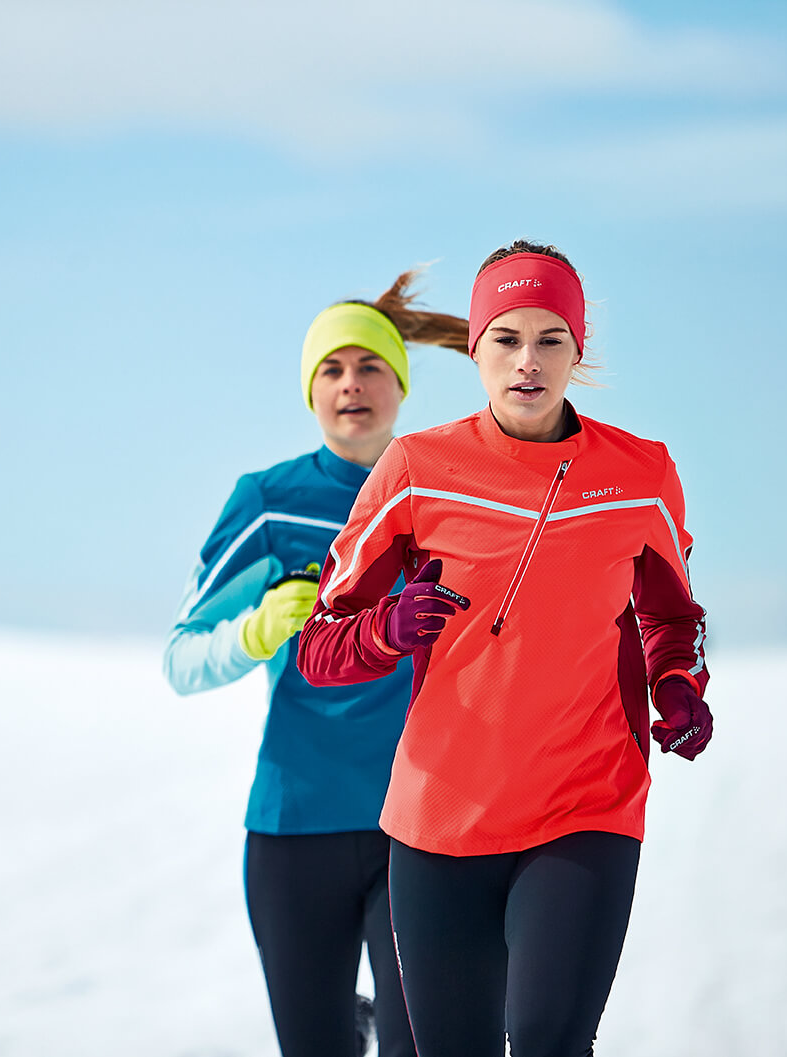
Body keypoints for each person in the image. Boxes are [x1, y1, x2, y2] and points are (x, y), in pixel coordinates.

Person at [297, 241, 715, 1057]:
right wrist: (385, 629)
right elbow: (319, 645)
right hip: (440, 821)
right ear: (476, 348)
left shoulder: (639, 473)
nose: (528, 361)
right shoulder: (416, 469)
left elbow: (671, 615)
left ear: (577, 349)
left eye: (550, 339)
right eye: (506, 338)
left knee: (551, 1037)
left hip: (584, 805)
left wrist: (676, 685)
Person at [163, 272, 469, 1057]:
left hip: (419, 825)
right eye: (330, 369)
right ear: (309, 391)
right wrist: (256, 631)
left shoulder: (450, 496)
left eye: (368, 367)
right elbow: (182, 657)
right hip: (293, 828)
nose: (350, 384)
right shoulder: (267, 502)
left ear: (399, 383)